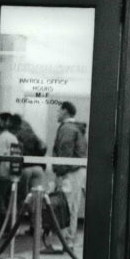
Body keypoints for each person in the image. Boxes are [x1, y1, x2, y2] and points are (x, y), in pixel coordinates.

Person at [51, 101, 87, 249]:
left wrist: (59, 173)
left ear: (65, 111)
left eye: (59, 111)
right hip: (77, 171)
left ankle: (65, 241)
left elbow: (64, 152)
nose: (57, 113)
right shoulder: (75, 128)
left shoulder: (66, 129)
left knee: (66, 206)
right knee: (72, 206)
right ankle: (69, 239)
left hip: (70, 172)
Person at [0, 113, 20, 232]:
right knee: (5, 200)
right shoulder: (13, 137)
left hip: (0, 173)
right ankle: (8, 225)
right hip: (10, 173)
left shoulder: (1, 137)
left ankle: (6, 227)